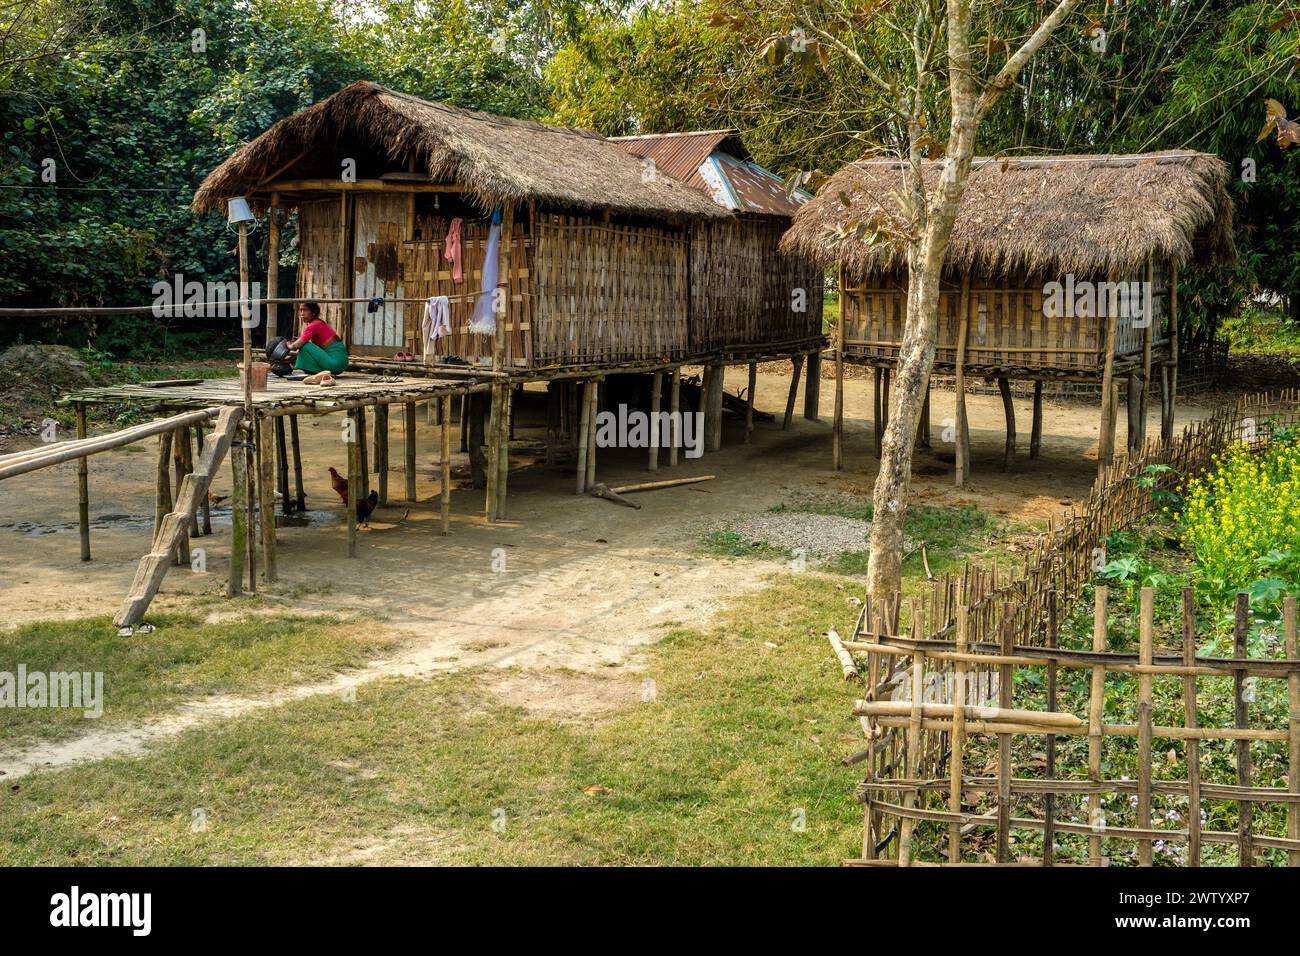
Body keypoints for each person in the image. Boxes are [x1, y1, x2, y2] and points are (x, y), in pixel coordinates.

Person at [287, 302, 348, 375]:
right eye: (301, 310)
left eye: (305, 310)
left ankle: (317, 372)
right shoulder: (318, 323)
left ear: (314, 312)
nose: (302, 313)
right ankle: (319, 373)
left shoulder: (315, 325)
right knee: (304, 348)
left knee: (305, 345)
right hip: (341, 364)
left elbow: (295, 346)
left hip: (336, 363)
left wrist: (287, 345)